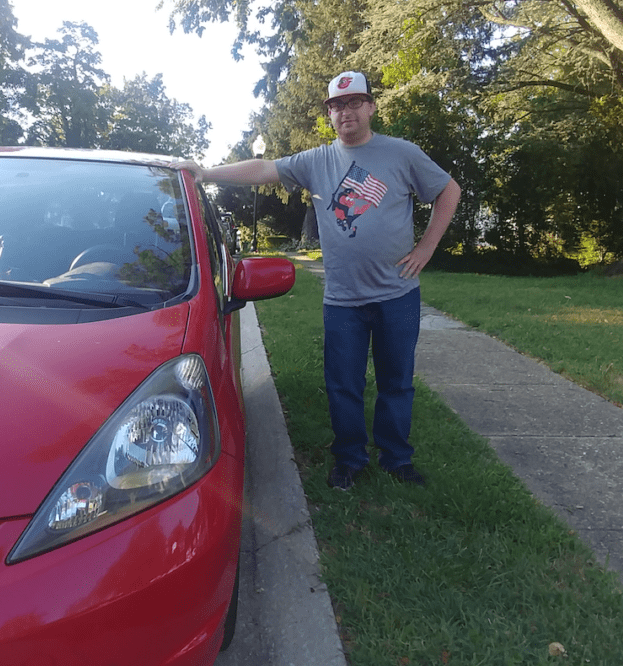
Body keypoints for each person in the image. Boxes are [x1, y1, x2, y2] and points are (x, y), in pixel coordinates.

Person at [171, 71, 461, 490]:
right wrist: (207, 174)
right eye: (337, 105)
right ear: (330, 113)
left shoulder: (402, 154)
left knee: (396, 381)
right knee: (342, 383)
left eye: (354, 102)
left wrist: (426, 249)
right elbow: (264, 168)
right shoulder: (316, 161)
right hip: (343, 300)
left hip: (398, 295)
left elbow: (448, 191)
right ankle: (349, 458)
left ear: (371, 107)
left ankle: (397, 458)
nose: (346, 111)